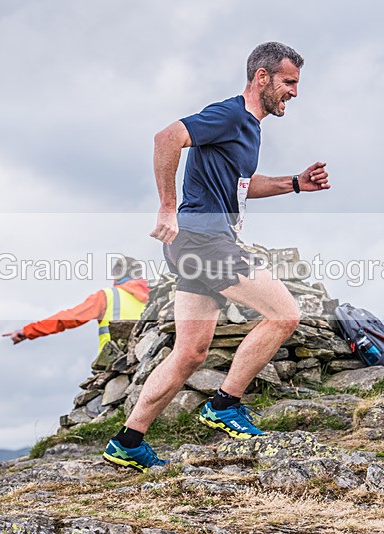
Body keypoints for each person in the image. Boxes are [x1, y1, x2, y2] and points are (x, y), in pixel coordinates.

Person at [103, 42, 330, 472]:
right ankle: (225, 405)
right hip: (203, 240)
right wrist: (167, 206)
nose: (295, 93)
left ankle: (128, 441)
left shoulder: (249, 127)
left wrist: (295, 183)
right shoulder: (230, 113)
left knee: (190, 352)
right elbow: (167, 138)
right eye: (289, 83)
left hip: (195, 244)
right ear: (262, 78)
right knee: (285, 314)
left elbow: (242, 185)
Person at [3, 256, 148, 357]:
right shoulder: (157, 295)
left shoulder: (108, 296)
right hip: (147, 357)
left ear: (115, 275)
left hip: (115, 361)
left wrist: (28, 331)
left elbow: (68, 318)